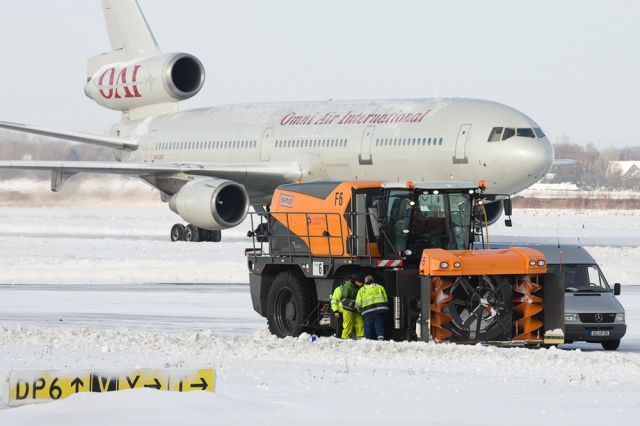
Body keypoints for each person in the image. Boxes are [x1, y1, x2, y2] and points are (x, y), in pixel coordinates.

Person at [330, 275, 365, 339]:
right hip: (342, 311)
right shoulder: (339, 290)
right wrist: (336, 311)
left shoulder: (353, 288)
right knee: (342, 327)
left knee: (357, 324)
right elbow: (334, 301)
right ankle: (341, 339)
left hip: (350, 309)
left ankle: (358, 338)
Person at [356, 275, 389, 340]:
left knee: (367, 325)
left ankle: (367, 338)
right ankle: (380, 337)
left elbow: (358, 303)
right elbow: (385, 299)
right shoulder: (380, 287)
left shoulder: (362, 290)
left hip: (367, 310)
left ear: (365, 281)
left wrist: (359, 310)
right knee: (379, 323)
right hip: (380, 309)